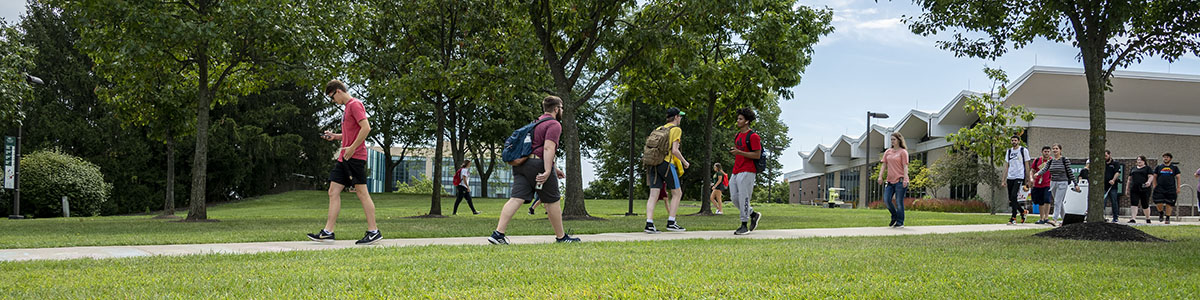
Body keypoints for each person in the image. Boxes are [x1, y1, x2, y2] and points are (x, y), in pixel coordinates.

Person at [488, 95, 579, 244]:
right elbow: (548, 148)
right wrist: (548, 171)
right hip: (538, 166)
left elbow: (534, 147)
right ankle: (561, 237)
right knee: (552, 201)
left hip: (522, 165)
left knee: (516, 198)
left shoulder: (535, 123)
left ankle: (498, 234)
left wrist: (555, 168)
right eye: (561, 108)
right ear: (556, 109)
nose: (562, 110)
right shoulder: (554, 125)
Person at [307, 80, 381, 245]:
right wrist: (336, 136)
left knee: (362, 193)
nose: (333, 101)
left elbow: (366, 128)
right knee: (333, 191)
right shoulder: (348, 108)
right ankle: (328, 232)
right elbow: (352, 132)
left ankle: (373, 231)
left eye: (333, 97)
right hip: (344, 157)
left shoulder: (355, 105)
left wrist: (353, 148)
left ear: (338, 91)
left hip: (355, 157)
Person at [644, 107, 691, 233]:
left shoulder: (659, 129)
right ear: (676, 117)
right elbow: (675, 150)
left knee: (653, 194)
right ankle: (671, 222)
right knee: (677, 193)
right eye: (680, 116)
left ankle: (649, 224)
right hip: (666, 163)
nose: (680, 118)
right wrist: (685, 162)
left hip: (653, 163)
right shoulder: (676, 130)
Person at [729, 108, 763, 235]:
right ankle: (753, 214)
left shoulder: (753, 137)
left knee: (744, 198)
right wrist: (735, 152)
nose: (737, 121)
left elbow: (757, 155)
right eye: (738, 118)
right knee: (734, 197)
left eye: (740, 119)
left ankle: (744, 225)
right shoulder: (738, 135)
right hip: (736, 170)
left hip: (748, 170)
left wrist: (739, 152)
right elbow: (740, 152)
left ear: (747, 121)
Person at [1034, 143, 1079, 226]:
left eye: (1056, 149)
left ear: (1060, 150)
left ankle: (1054, 219)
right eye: (1054, 149)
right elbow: (1045, 169)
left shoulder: (1065, 160)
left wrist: (1075, 184)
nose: (1055, 150)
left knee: (1057, 202)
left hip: (1062, 182)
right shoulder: (1051, 161)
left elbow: (1070, 172)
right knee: (1059, 202)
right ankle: (1065, 220)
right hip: (1053, 183)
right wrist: (1038, 173)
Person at [877, 132, 909, 228]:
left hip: (900, 180)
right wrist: (880, 176)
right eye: (891, 140)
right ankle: (894, 216)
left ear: (899, 140)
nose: (892, 141)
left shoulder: (903, 152)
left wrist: (905, 179)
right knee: (886, 200)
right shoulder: (888, 152)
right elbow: (884, 165)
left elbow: (905, 166)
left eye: (894, 139)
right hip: (890, 181)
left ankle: (900, 222)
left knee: (899, 202)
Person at [1000, 135, 1031, 224]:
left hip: (1019, 176)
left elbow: (1027, 165)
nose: (1014, 142)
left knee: (1014, 196)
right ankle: (1022, 211)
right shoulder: (1009, 151)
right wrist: (1003, 179)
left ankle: (1013, 217)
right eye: (1012, 140)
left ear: (1019, 141)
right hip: (1010, 176)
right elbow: (1006, 166)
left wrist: (1028, 178)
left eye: (1015, 140)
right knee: (1011, 198)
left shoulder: (1023, 150)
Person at [1149, 153, 1182, 224]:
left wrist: (1178, 187)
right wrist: (1154, 185)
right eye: (1164, 157)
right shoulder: (1159, 167)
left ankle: (1167, 217)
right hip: (1160, 188)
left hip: (1171, 188)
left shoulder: (1174, 168)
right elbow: (1154, 176)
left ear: (1170, 159)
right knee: (1158, 202)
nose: (1165, 158)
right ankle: (1161, 212)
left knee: (1169, 203)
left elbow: (1178, 177)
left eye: (1167, 157)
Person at [1030, 146, 1053, 224]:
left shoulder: (1052, 161)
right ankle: (1041, 218)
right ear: (1042, 152)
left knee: (1047, 199)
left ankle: (1046, 217)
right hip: (1038, 184)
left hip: (1048, 183)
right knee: (1040, 201)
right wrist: (1031, 178)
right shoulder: (1037, 160)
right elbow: (1032, 171)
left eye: (1048, 151)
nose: (1046, 153)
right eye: (1045, 151)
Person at [1126, 156, 1153, 223]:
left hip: (1144, 188)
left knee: (1145, 204)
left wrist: (1149, 182)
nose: (1139, 161)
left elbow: (1151, 176)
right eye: (1138, 160)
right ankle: (1133, 218)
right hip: (1134, 188)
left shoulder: (1147, 168)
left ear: (1144, 161)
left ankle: (1148, 218)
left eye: (1140, 160)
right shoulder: (1133, 169)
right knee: (1134, 203)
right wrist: (1127, 189)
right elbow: (1129, 179)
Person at [1102, 150, 1122, 223]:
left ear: (1109, 155)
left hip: (1112, 187)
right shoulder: (1102, 163)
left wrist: (1113, 180)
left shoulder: (1115, 163)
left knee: (1114, 201)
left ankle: (1115, 217)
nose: (1104, 157)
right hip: (1104, 186)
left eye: (1106, 156)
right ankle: (1102, 216)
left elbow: (1117, 172)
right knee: (1103, 202)